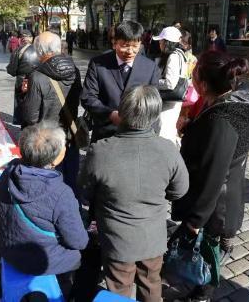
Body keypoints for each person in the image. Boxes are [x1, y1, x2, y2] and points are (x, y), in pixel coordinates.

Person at [79, 85, 189, 301]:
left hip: (116, 239)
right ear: (156, 114)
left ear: (122, 112)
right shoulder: (168, 149)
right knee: (151, 283)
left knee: (119, 288)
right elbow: (179, 191)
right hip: (152, 237)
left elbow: (85, 191)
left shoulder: (100, 150)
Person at [171, 51, 249, 302]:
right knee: (211, 250)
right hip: (222, 198)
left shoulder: (222, 119)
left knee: (207, 255)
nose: (191, 79)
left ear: (203, 84)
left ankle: (201, 295)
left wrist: (194, 221)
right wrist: (191, 130)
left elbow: (214, 174)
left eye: (194, 74)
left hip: (216, 206)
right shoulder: (229, 102)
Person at [0, 122, 89, 300]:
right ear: (55, 160)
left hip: (9, 248)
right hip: (43, 261)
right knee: (87, 256)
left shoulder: (8, 174)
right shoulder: (61, 194)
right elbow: (78, 241)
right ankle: (69, 292)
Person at [21, 31, 82, 195]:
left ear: (39, 51)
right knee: (71, 180)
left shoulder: (37, 75)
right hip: (70, 137)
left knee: (51, 186)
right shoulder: (74, 70)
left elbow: (30, 116)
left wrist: (25, 94)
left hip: (47, 142)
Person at [81, 20, 160, 142]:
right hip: (105, 135)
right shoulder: (98, 64)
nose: (130, 51)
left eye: (135, 46)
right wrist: (110, 114)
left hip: (138, 135)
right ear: (114, 43)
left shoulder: (150, 67)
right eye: (125, 45)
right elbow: (88, 97)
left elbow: (153, 101)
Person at [153, 26, 185, 147]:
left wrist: (154, 81)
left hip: (169, 101)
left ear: (168, 43)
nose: (160, 43)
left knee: (164, 130)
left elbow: (170, 83)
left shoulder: (173, 57)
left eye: (162, 41)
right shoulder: (180, 54)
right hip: (172, 101)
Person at [6, 30, 38, 125]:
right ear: (31, 38)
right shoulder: (41, 49)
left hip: (22, 82)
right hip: (39, 81)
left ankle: (25, 125)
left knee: (22, 104)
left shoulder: (18, 51)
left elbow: (12, 71)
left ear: (21, 39)